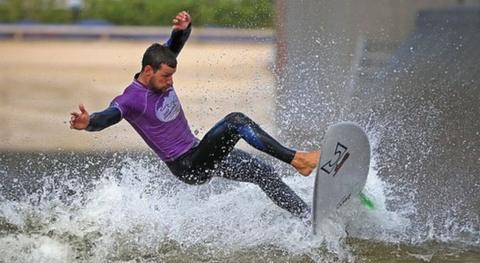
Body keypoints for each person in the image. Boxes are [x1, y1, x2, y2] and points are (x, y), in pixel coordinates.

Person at [69, 11, 320, 220]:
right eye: (165, 77)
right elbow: (108, 117)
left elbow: (173, 47)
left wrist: (183, 29)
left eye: (171, 76)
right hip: (187, 165)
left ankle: (308, 218)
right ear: (147, 71)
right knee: (236, 122)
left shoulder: (160, 66)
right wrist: (88, 122)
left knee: (262, 172)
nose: (170, 82)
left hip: (199, 152)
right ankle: (298, 160)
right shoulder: (131, 100)